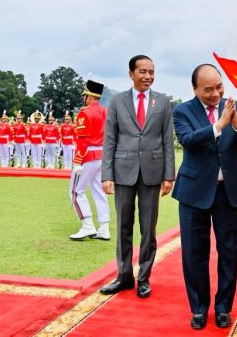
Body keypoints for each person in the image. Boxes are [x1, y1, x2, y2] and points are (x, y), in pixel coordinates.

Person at [173, 64, 237, 330]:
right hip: (194, 193)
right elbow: (187, 140)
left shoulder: (235, 106)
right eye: (208, 89)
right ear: (195, 89)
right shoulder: (182, 111)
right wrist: (218, 126)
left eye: (218, 87)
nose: (215, 93)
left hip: (229, 193)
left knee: (229, 252)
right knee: (194, 254)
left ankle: (223, 308)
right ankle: (199, 308)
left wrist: (236, 123)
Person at [99, 55, 175, 299]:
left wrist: (169, 175)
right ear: (131, 73)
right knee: (123, 227)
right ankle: (123, 276)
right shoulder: (118, 102)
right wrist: (106, 175)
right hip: (122, 172)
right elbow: (110, 139)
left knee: (148, 228)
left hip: (152, 172)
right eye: (143, 71)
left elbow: (167, 140)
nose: (148, 76)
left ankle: (144, 277)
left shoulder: (162, 102)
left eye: (152, 72)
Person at [69, 80, 111, 241]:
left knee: (76, 191)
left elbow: (83, 140)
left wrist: (77, 161)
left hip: (87, 155)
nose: (84, 98)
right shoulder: (105, 111)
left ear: (89, 96)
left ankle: (87, 225)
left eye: (85, 95)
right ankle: (104, 228)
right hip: (102, 155)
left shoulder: (84, 113)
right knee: (99, 192)